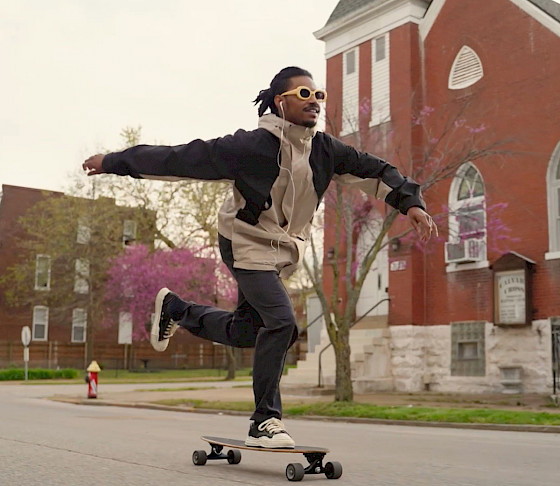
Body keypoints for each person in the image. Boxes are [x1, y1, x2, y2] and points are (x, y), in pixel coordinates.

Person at [82, 66, 437, 448]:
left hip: (280, 253)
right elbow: (178, 158)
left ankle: (175, 309)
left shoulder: (325, 151)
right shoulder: (249, 147)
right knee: (283, 324)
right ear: (280, 101)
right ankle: (265, 421)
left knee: (246, 331)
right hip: (244, 241)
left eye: (319, 96)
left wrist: (409, 203)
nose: (314, 102)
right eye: (304, 95)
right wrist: (113, 161)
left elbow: (377, 171)